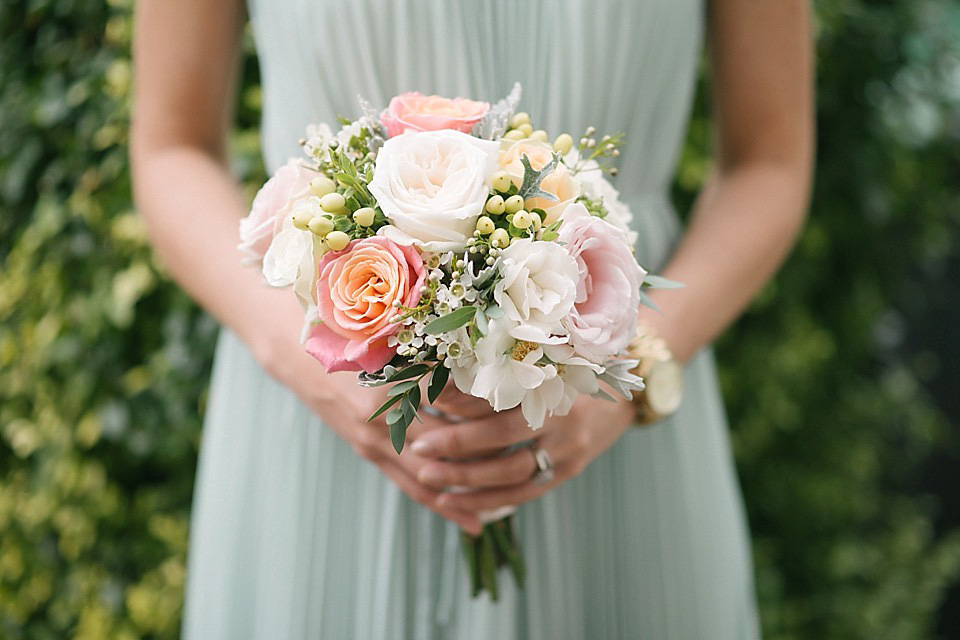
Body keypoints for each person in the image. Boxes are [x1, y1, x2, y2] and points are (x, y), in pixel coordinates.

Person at [130, 0, 813, 638]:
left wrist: (635, 367)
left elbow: (769, 160)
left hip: (614, 424)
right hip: (316, 431)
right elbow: (171, 146)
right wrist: (318, 365)